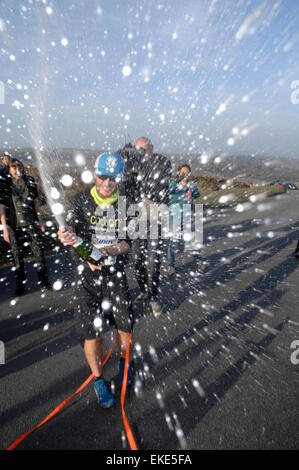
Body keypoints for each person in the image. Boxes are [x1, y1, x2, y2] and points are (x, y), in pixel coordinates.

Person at [57, 152, 134, 409]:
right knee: (93, 334)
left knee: (125, 326)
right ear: (94, 172)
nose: (107, 183)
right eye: (102, 176)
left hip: (115, 275)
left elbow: (128, 244)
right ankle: (99, 380)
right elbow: (72, 238)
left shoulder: (125, 203)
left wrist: (108, 251)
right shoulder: (79, 201)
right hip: (87, 279)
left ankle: (124, 365)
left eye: (113, 178)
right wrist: (74, 244)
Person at [132, 137, 172, 316]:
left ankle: (153, 297)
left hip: (155, 212)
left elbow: (156, 187)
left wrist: (139, 179)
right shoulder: (132, 165)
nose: (141, 153)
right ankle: (144, 290)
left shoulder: (162, 162)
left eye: (144, 149)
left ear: (151, 148)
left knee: (153, 259)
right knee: (138, 258)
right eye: (138, 150)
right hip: (136, 215)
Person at [0, 158, 51, 296]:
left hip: (30, 222)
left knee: (38, 252)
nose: (18, 169)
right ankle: (20, 286)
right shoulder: (6, 185)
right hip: (13, 225)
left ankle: (44, 282)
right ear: (9, 170)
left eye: (20, 167)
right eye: (14, 167)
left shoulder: (29, 181)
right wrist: (4, 228)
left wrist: (40, 220)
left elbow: (35, 203)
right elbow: (2, 208)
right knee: (17, 256)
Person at [167, 164, 206, 275]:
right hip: (174, 215)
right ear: (178, 173)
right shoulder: (174, 183)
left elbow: (197, 194)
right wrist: (183, 185)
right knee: (172, 242)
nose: (185, 175)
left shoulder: (191, 185)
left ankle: (198, 260)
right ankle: (171, 265)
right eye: (183, 172)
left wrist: (190, 185)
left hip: (187, 215)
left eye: (187, 173)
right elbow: (171, 191)